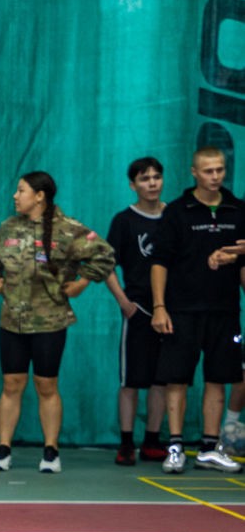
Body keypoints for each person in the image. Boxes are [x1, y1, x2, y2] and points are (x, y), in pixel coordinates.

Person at [0, 172, 115, 474]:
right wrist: (0, 284)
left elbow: (105, 256)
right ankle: (3, 449)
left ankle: (51, 451)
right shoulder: (8, 227)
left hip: (50, 322)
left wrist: (81, 283)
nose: (15, 196)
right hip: (12, 321)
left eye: (21, 190)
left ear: (39, 196)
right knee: (11, 384)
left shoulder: (68, 229)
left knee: (46, 385)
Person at [149, 147, 245, 474]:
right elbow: (159, 262)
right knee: (177, 379)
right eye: (208, 171)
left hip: (225, 311)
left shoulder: (238, 210)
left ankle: (208, 448)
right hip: (182, 310)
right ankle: (175, 446)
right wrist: (159, 307)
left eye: (220, 170)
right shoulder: (178, 211)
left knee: (218, 378)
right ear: (194, 172)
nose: (215, 177)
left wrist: (235, 257)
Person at [102, 157, 169, 466]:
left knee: (162, 380)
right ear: (133, 185)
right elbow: (106, 265)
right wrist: (123, 301)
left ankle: (152, 440)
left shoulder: (174, 216)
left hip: (171, 311)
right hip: (138, 309)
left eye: (156, 177)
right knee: (130, 381)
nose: (152, 183)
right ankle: (127, 443)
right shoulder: (124, 221)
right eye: (145, 178)